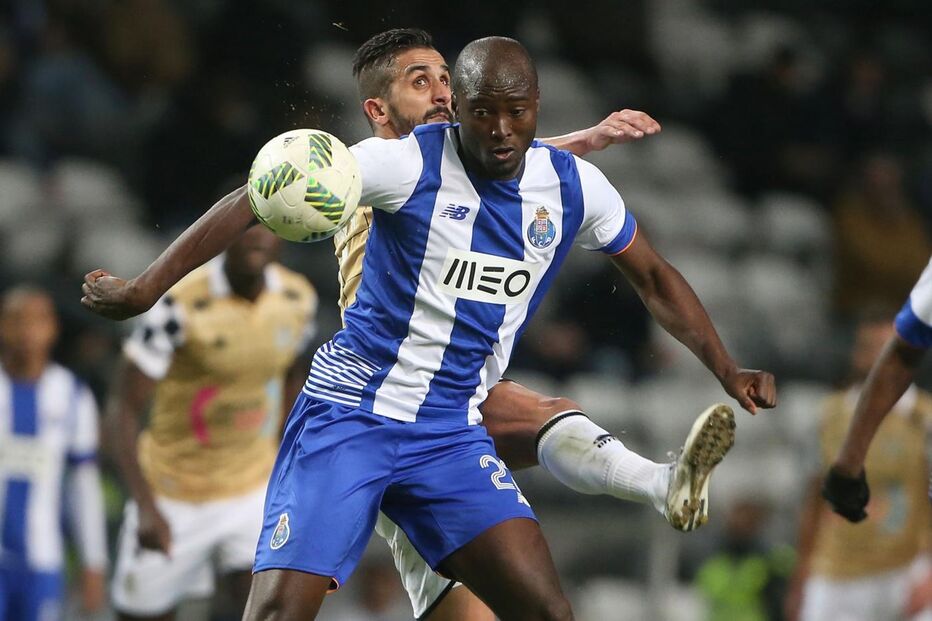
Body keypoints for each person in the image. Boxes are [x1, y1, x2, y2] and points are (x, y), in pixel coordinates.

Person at [83, 35, 775, 620]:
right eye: (435, 87)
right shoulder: (393, 163)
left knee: (543, 607)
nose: (456, 103)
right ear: (396, 110)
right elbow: (256, 195)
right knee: (277, 613)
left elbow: (651, 273)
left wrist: (727, 366)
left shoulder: (566, 184)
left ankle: (661, 483)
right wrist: (145, 287)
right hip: (352, 415)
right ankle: (656, 481)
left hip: (449, 427)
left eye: (509, 109)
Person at [107, 225, 317, 620]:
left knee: (262, 607)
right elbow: (122, 408)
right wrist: (146, 505)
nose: (256, 236)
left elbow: (292, 372)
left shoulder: (297, 298)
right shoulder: (179, 304)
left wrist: (283, 458)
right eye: (247, 225)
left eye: (269, 225)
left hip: (250, 488)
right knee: (139, 614)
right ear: (223, 233)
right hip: (173, 493)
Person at [787, 309, 932, 621]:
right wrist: (802, 572)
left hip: (906, 570)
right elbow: (813, 498)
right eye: (871, 347)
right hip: (835, 571)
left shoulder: (926, 418)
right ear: (857, 354)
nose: (881, 358)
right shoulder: (827, 416)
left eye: (889, 348)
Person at [0, 286, 107, 621]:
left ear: (53, 329)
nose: (27, 331)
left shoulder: (73, 396)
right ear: (2, 326)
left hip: (43, 560)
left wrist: (93, 561)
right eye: (17, 320)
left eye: (37, 321)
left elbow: (83, 486)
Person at [823, 255, 932, 522]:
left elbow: (903, 353)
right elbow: (903, 352)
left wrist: (848, 464)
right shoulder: (829, 413)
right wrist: (849, 463)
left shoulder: (924, 414)